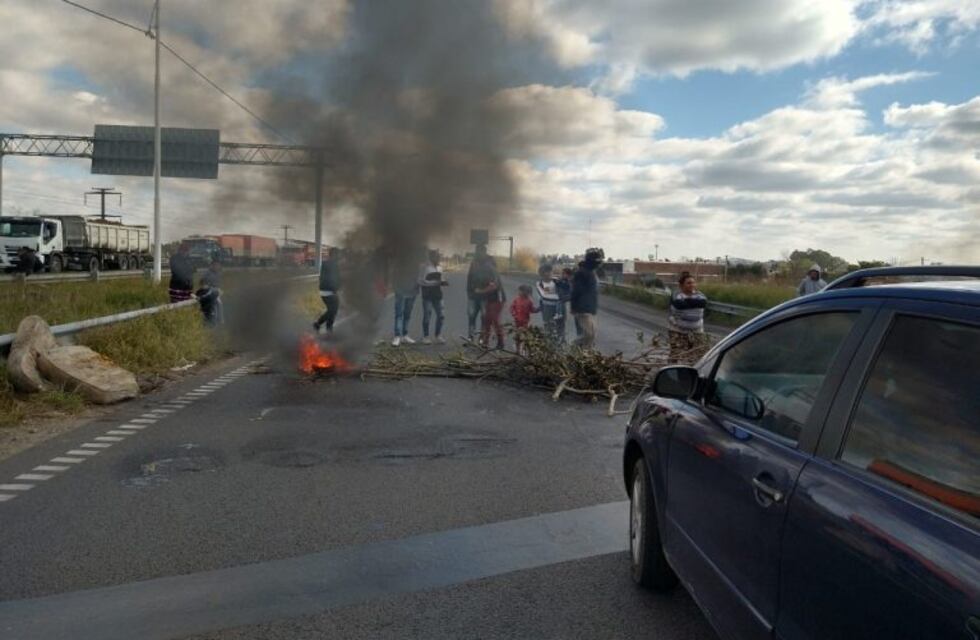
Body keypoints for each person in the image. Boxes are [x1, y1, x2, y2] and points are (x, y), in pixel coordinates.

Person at [668, 272, 709, 364]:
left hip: (696, 330)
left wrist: (687, 302)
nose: (692, 285)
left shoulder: (700, 294)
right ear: (681, 285)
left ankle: (693, 371)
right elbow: (679, 304)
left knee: (697, 353)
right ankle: (672, 371)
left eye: (693, 282)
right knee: (676, 354)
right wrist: (694, 303)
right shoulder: (676, 294)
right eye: (689, 283)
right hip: (677, 330)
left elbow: (703, 303)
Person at [570, 248, 603, 349]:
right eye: (598, 262)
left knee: (591, 334)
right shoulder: (582, 273)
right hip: (582, 309)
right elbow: (576, 291)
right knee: (589, 334)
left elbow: (592, 292)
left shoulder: (591, 273)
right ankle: (573, 347)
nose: (599, 264)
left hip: (588, 308)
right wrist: (574, 307)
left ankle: (585, 355)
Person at [474, 256, 506, 349]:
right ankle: (485, 342)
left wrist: (480, 291)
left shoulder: (491, 270)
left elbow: (493, 286)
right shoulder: (488, 269)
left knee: (495, 320)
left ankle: (501, 342)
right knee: (487, 320)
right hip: (490, 299)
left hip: (497, 299)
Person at [418, 249, 448, 344]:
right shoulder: (425, 267)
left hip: (438, 295)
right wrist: (433, 283)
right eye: (437, 257)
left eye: (439, 257)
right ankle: (425, 336)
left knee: (441, 316)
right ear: (432, 257)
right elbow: (420, 281)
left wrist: (443, 282)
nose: (439, 259)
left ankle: (438, 335)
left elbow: (441, 278)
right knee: (427, 316)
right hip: (427, 296)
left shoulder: (440, 268)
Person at [392, 254, 419, 347]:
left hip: (412, 291)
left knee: (407, 314)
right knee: (399, 313)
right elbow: (394, 275)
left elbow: (418, 276)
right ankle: (397, 336)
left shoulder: (415, 262)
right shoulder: (399, 262)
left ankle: (405, 335)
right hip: (401, 290)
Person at [466, 244, 492, 339]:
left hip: (484, 296)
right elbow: (469, 278)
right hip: (473, 296)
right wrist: (469, 293)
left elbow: (492, 280)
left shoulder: (489, 265)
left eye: (481, 251)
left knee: (484, 318)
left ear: (484, 252)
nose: (479, 253)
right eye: (477, 251)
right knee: (471, 317)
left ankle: (482, 338)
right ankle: (471, 337)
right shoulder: (473, 263)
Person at [314, 248, 342, 335]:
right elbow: (336, 278)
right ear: (334, 255)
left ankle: (328, 328)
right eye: (338, 254)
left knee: (332, 309)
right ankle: (319, 324)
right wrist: (336, 288)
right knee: (332, 310)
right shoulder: (334, 265)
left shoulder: (325, 263)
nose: (339, 256)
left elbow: (323, 277)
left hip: (323, 290)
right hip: (329, 291)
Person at [535, 264, 562, 344]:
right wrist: (560, 297)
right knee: (548, 325)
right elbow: (544, 295)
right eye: (547, 272)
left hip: (559, 307)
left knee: (560, 325)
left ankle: (560, 342)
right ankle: (549, 343)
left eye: (551, 272)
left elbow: (566, 290)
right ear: (542, 274)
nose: (550, 274)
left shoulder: (557, 280)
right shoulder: (539, 283)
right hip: (547, 307)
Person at [510, 284, 538, 354]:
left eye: (520, 291)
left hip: (525, 322)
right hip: (517, 321)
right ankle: (517, 349)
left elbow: (532, 310)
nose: (519, 292)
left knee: (525, 335)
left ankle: (527, 349)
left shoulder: (529, 301)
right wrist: (514, 314)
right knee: (517, 336)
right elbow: (512, 308)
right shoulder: (516, 300)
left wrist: (538, 309)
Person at [197, 259, 223, 325]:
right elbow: (201, 282)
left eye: (218, 265)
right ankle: (219, 320)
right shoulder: (207, 273)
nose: (217, 267)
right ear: (212, 265)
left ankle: (219, 319)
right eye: (216, 265)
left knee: (218, 303)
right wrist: (205, 286)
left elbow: (218, 284)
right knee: (218, 303)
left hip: (216, 290)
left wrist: (219, 289)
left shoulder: (218, 273)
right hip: (209, 289)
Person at [555, 267, 573, 344]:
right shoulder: (560, 281)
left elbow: (571, 294)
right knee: (558, 322)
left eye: (563, 273)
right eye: (562, 273)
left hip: (564, 304)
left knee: (562, 321)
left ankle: (562, 338)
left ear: (568, 275)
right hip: (559, 303)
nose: (562, 275)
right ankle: (560, 337)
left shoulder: (570, 283)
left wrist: (563, 298)